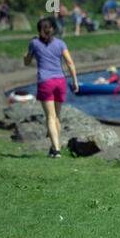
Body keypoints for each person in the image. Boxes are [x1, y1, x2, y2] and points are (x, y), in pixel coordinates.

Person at [23, 18, 79, 158]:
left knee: (50, 117)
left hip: (45, 81)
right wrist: (75, 82)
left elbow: (27, 62)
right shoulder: (60, 43)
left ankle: (57, 150)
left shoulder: (34, 43)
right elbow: (70, 63)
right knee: (57, 117)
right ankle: (53, 148)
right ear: (52, 29)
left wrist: (27, 54)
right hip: (60, 81)